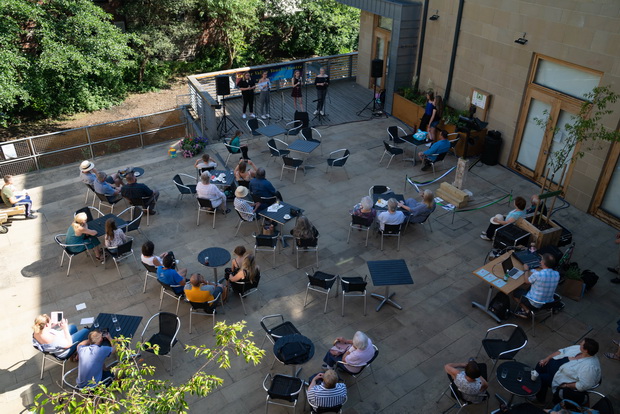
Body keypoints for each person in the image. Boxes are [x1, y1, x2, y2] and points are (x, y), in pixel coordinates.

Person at [534, 338, 601, 404]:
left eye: (582, 344)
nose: (580, 343)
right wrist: (547, 358)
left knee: (541, 378)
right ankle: (535, 387)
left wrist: (566, 385)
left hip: (558, 378)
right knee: (540, 365)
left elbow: (584, 385)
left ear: (586, 350)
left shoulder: (590, 368)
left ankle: (540, 400)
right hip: (553, 366)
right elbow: (562, 351)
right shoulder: (579, 348)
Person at [512, 253, 560, 318]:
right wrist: (543, 267)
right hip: (548, 303)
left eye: (541, 260)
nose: (540, 261)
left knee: (516, 293)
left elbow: (526, 281)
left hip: (535, 304)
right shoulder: (557, 274)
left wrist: (526, 270)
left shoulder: (538, 274)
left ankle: (526, 311)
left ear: (543, 262)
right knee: (531, 287)